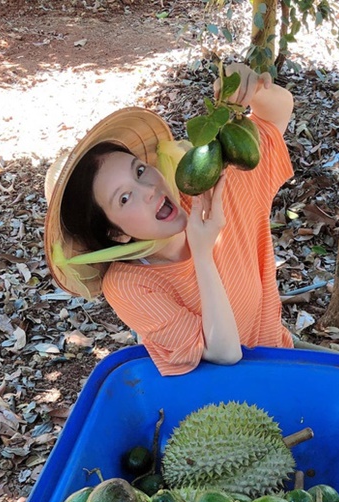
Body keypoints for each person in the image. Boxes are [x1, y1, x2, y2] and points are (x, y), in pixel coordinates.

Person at [44, 63, 295, 376]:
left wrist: (253, 90)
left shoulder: (212, 192)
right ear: (115, 232)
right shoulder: (130, 284)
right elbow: (225, 353)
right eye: (124, 198)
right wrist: (203, 255)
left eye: (139, 171)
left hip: (285, 368)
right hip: (215, 407)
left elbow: (275, 118)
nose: (149, 188)